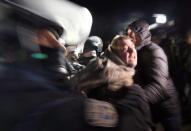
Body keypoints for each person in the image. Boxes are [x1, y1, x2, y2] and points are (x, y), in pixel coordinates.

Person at [71, 35, 152, 131]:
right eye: (125, 48)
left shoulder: (130, 78)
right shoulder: (101, 69)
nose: (132, 51)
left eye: (133, 47)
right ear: (113, 53)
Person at [125, 19, 181, 131]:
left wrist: (137, 100)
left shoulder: (154, 51)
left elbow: (159, 86)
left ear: (142, 35)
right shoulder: (135, 53)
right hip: (151, 108)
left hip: (167, 108)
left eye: (133, 34)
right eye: (128, 35)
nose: (130, 38)